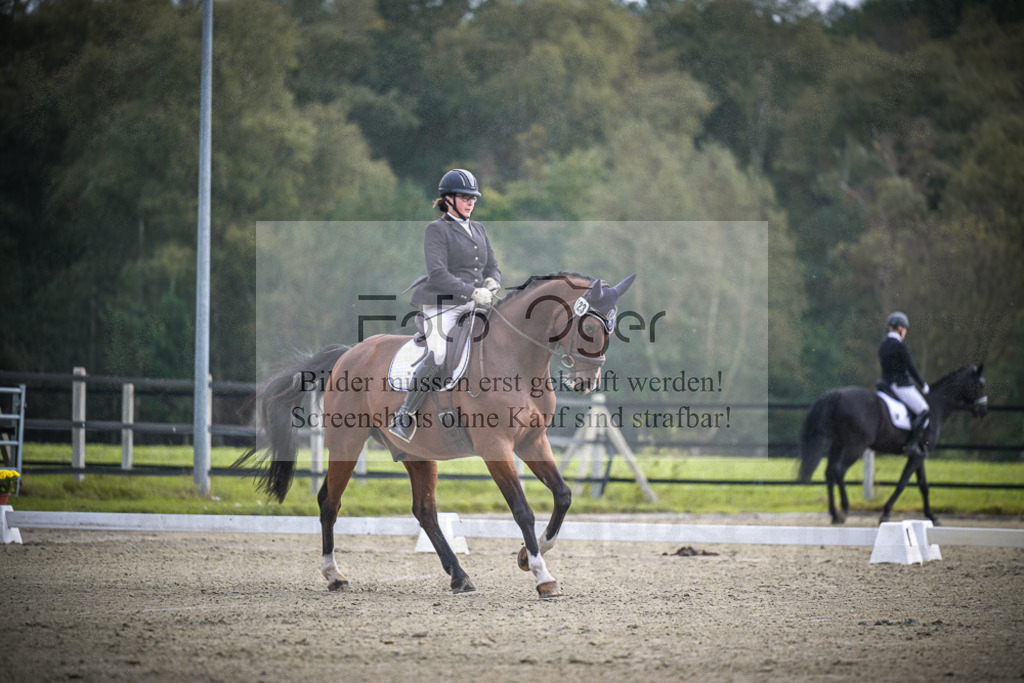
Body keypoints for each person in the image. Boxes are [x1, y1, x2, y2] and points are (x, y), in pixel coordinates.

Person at [388, 169, 501, 443]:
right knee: (439, 354)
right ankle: (405, 415)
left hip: (476, 304)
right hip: (442, 306)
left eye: (473, 198)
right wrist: (471, 292)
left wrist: (492, 282)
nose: (471, 202)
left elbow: (492, 267)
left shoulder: (478, 229)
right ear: (448, 199)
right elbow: (438, 273)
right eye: (464, 197)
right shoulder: (436, 230)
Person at [878, 311, 930, 457]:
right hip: (900, 385)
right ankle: (912, 445)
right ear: (900, 328)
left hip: (885, 384)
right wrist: (922, 385)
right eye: (905, 329)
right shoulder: (900, 346)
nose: (905, 332)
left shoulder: (883, 345)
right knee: (924, 410)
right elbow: (911, 367)